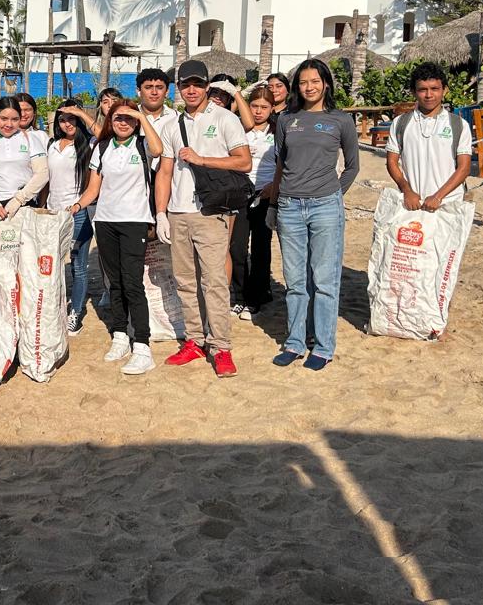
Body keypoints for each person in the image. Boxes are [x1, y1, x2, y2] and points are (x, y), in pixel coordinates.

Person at [154, 60, 251, 378]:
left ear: (208, 86)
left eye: (197, 83)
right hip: (178, 214)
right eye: (185, 84)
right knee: (184, 282)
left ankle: (221, 347)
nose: (191, 89)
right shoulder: (171, 125)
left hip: (210, 213)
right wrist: (161, 213)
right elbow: (165, 172)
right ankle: (194, 341)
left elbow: (244, 162)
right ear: (179, 88)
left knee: (214, 283)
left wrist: (202, 159)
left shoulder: (224, 119)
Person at [268, 59, 359, 371]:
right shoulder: (286, 119)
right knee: (295, 281)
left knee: (324, 280)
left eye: (315, 81)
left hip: (325, 207)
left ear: (326, 84)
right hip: (290, 208)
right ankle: (294, 342)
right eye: (303, 82)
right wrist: (274, 203)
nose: (309, 87)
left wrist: (332, 193)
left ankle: (322, 346)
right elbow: (281, 164)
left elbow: (352, 166)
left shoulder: (341, 120)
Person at [70, 99, 164, 375]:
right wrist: (75, 206)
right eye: (117, 118)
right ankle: (121, 334)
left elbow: (158, 149)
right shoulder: (102, 148)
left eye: (128, 118)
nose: (123, 123)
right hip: (106, 221)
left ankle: (143, 345)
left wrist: (140, 116)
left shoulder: (141, 145)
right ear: (109, 121)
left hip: (135, 221)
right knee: (115, 283)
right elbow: (93, 189)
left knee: (133, 282)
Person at [385, 62, 472, 211]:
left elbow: (464, 168)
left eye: (435, 89)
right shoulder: (401, 123)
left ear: (444, 90)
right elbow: (391, 162)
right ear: (413, 92)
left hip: (448, 203)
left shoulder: (458, 124)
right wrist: (407, 191)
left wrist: (438, 196)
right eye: (422, 89)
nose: (429, 95)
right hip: (412, 203)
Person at [228, 84, 278, 318]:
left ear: (272, 108)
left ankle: (255, 298)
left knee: (260, 248)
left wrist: (272, 188)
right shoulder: (239, 130)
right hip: (240, 194)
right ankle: (239, 295)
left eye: (263, 107)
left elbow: (282, 166)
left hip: (265, 194)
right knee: (237, 248)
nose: (258, 111)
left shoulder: (278, 132)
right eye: (254, 106)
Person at [46, 100, 95, 334]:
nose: (68, 123)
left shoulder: (88, 145)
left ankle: (75, 312)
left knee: (78, 266)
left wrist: (80, 112)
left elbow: (100, 131)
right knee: (53, 265)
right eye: (63, 119)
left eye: (72, 118)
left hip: (76, 213)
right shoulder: (52, 145)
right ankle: (53, 309)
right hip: (52, 214)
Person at [0, 96, 48, 218]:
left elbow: (42, 173)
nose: (9, 124)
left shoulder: (30, 139)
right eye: (3, 118)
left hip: (24, 206)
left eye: (14, 119)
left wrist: (19, 200)